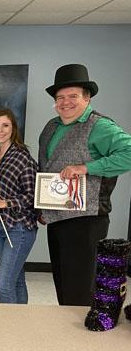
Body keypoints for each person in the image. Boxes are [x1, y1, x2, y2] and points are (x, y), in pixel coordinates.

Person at [39, 64, 131, 306]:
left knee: (81, 287)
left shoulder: (100, 126)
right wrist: (43, 206)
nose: (65, 102)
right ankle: (67, 336)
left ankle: (83, 341)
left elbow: (129, 153)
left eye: (73, 96)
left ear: (87, 97)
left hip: (86, 220)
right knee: (63, 283)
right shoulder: (52, 127)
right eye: (60, 97)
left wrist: (86, 168)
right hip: (57, 218)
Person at [0, 109, 38, 304]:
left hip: (19, 228)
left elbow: (33, 197)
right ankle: (20, 325)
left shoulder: (23, 158)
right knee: (16, 281)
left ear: (13, 128)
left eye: (5, 125)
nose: (0, 130)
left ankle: (8, 330)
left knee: (4, 284)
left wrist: (4, 202)